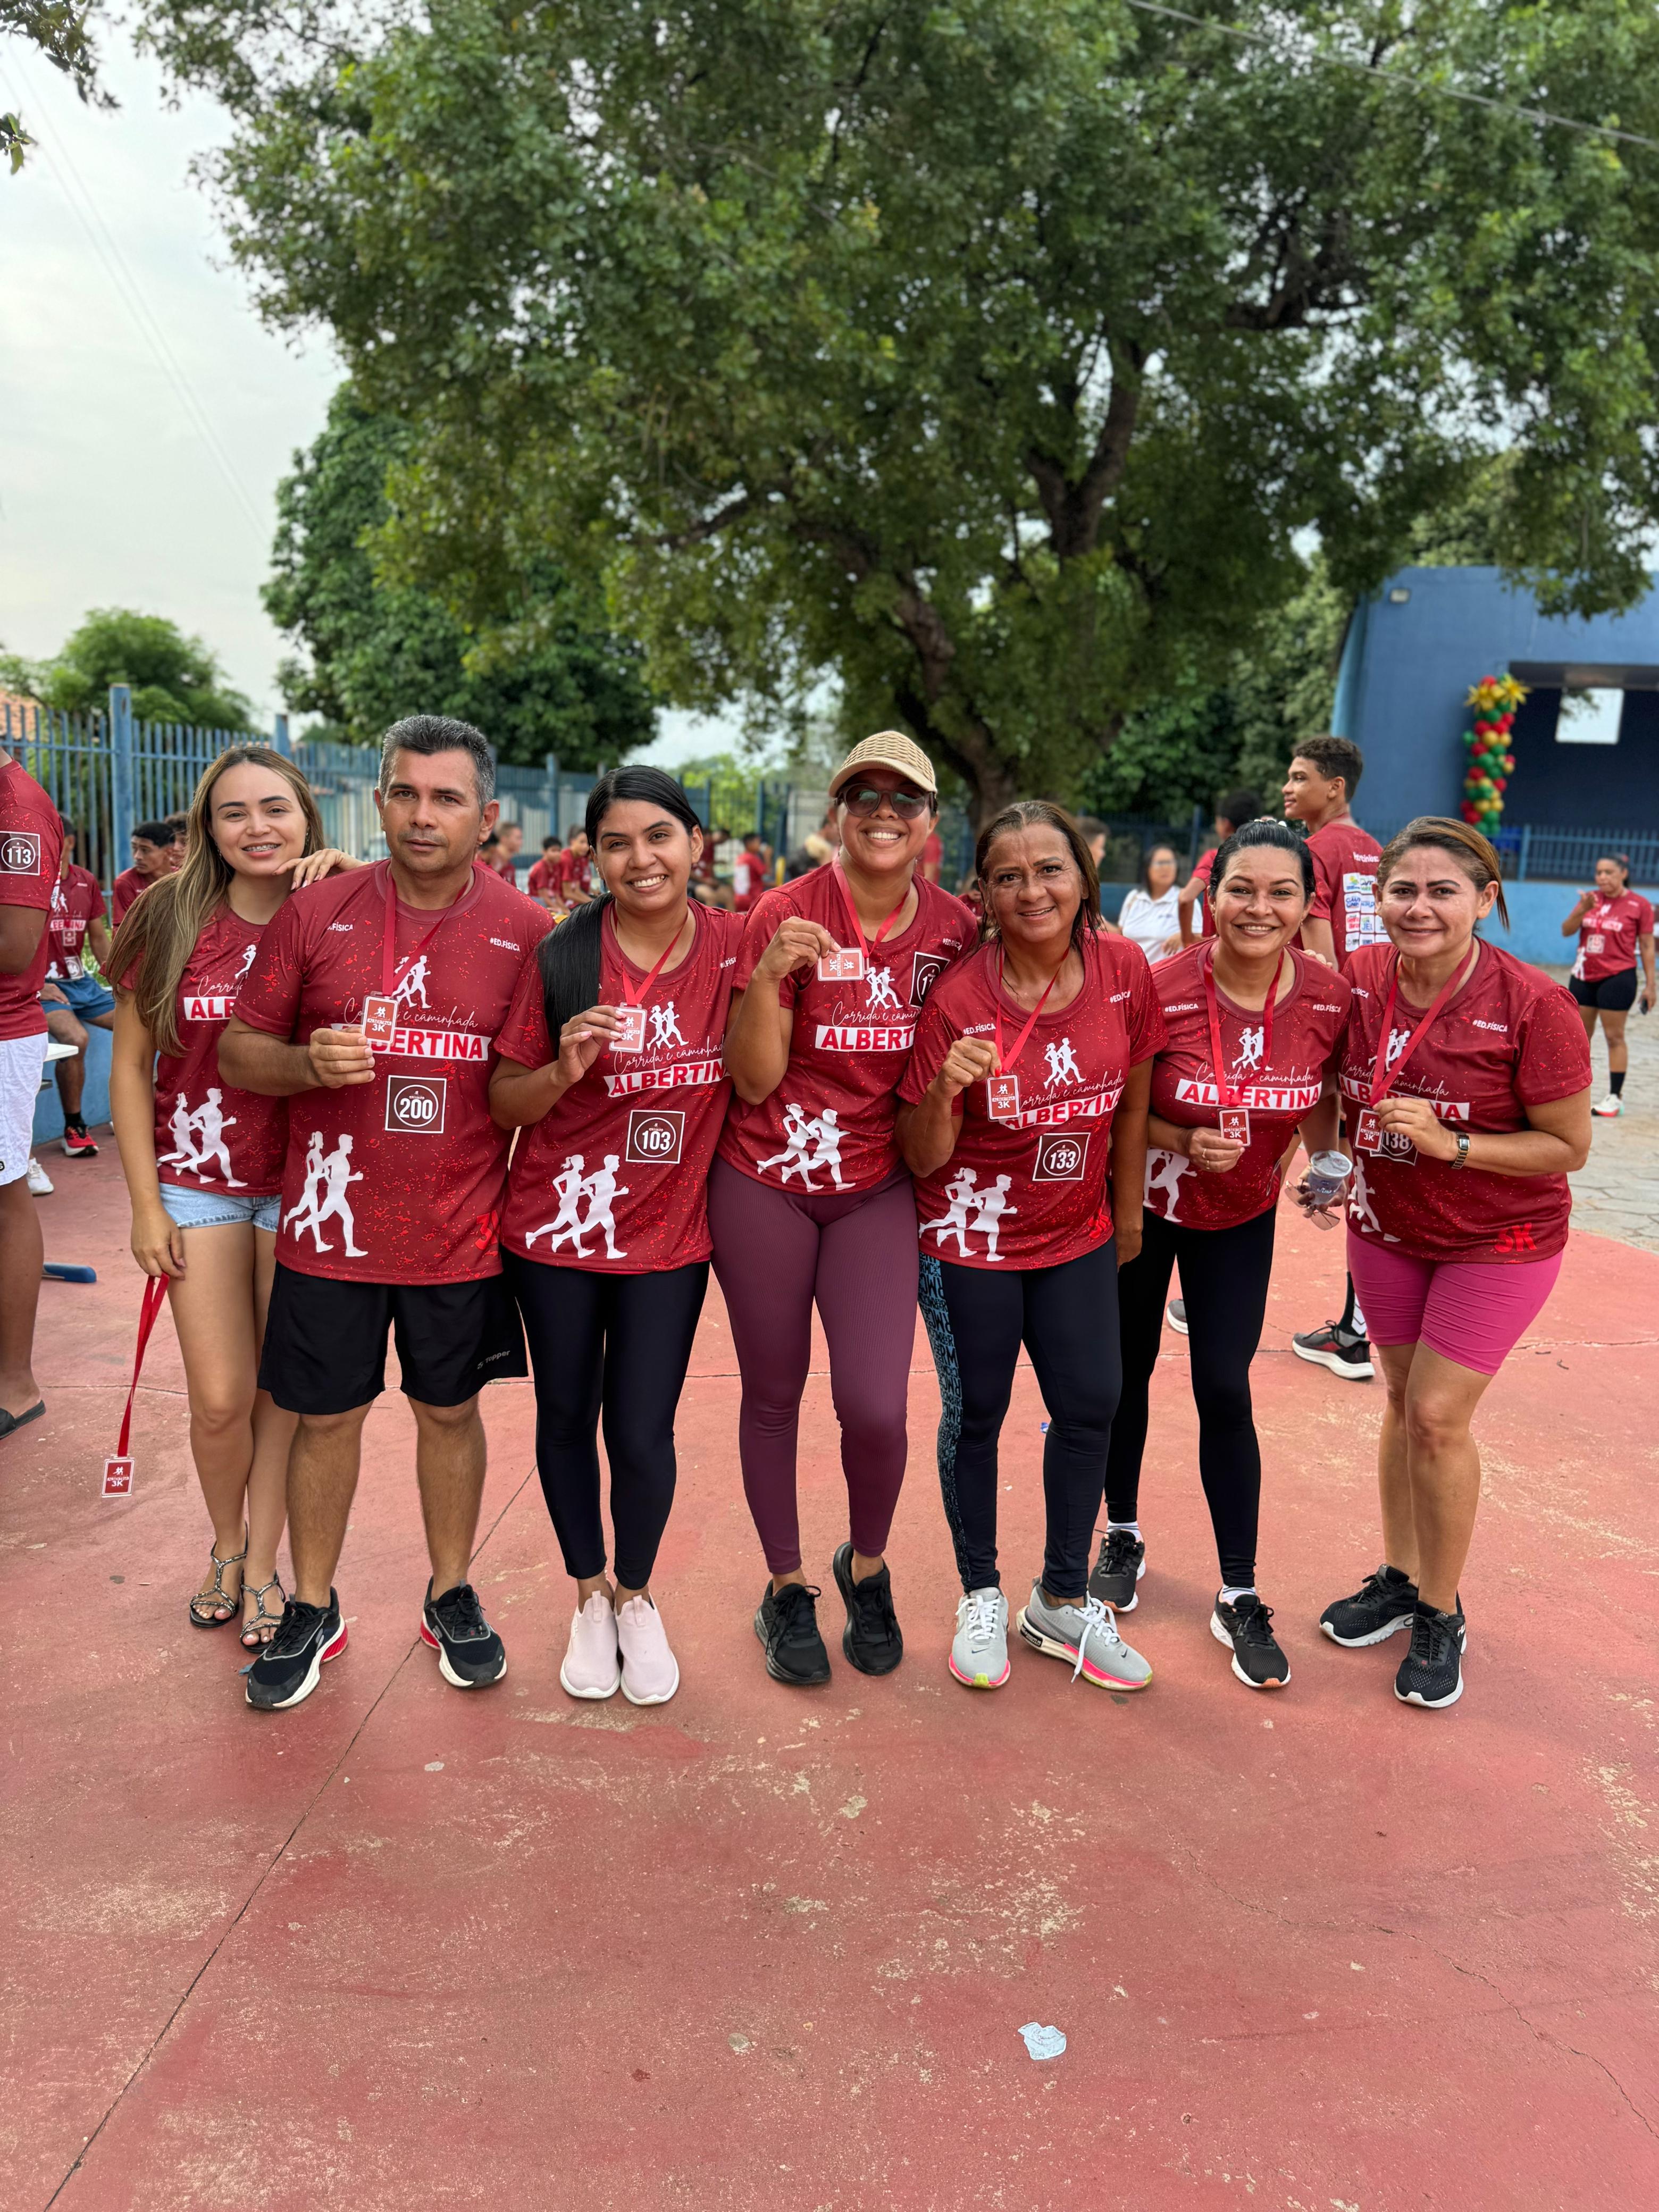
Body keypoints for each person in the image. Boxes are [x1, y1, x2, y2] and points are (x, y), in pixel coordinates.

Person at [220, 716, 550, 1712]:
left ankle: (450, 1594)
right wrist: (304, 1062)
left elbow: (522, 1089)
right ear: (378, 802)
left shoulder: (528, 932)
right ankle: (313, 1606)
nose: (422, 815)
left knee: (450, 1412)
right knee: (326, 1420)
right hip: (331, 1231)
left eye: (447, 798)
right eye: (405, 793)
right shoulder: (315, 912)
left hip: (459, 1232)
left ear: (486, 816)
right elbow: (238, 1053)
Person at [716, 730, 975, 1686]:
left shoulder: (954, 930)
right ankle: (785, 1588)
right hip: (766, 1181)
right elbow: (752, 1081)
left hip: (875, 1187)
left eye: (903, 799)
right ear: (837, 814)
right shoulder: (785, 912)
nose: (882, 813)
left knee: (874, 1406)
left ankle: (867, 1567)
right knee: (773, 1392)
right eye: (863, 795)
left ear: (931, 821)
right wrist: (769, 974)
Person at [1319, 818, 1591, 1709]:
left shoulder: (1533, 1005)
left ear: (1485, 899)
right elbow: (1327, 1086)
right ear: (1379, 899)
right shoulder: (1360, 979)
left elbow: (1568, 1147)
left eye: (1444, 891)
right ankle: (1401, 1578)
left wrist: (1455, 1145)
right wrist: (1327, 1162)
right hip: (1386, 1228)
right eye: (1404, 890)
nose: (1421, 907)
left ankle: (1442, 1611)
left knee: (1437, 1416)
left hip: (1498, 1240)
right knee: (1401, 1399)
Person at [491, 767, 744, 1705]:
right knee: (566, 1417)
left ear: (695, 843)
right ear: (593, 856)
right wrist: (562, 1069)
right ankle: (589, 1595)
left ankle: (636, 1595)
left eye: (659, 836)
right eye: (617, 843)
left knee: (640, 1430)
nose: (641, 859)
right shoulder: (562, 955)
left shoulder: (735, 946)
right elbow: (504, 1100)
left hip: (668, 1241)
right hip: (555, 1232)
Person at [899, 800, 1162, 1694]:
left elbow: (1133, 1104)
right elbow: (920, 1155)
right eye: (1008, 876)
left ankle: (1059, 1599)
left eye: (1050, 869)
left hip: (1077, 1234)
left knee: (1092, 1404)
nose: (1032, 890)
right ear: (983, 894)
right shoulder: (959, 998)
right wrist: (945, 1089)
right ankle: (980, 1592)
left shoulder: (1125, 970)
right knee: (977, 1413)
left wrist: (1128, 1217)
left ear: (1083, 876)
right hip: (969, 1238)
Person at [106, 749, 355, 1644]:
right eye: (234, 811)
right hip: (196, 1184)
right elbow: (130, 1067)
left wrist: (360, 880)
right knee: (219, 1397)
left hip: (304, 1186)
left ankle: (263, 1569)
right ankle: (226, 1543)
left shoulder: (340, 908)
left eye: (276, 809)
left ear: (307, 819)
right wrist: (145, 1204)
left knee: (281, 1395)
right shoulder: (167, 914)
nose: (258, 828)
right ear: (207, 827)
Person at [1095, 819, 1351, 1690]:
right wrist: (1180, 1138)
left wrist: (1326, 1162)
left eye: (1282, 892)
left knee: (1224, 1387)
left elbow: (1324, 1092)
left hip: (1241, 1214)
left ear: (1307, 904)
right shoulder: (1161, 985)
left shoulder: (1328, 997)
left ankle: (1238, 1591)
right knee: (1125, 1372)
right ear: (1212, 896)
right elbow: (1120, 1108)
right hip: (1144, 1208)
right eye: (1241, 889)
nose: (1258, 907)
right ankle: (1121, 1533)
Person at [1281, 735, 1385, 1382]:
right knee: (1362, 1165)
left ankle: (1216, 1297)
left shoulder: (1315, 849)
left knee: (1268, 1148)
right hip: (1375, 1025)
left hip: (1330, 1026)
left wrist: (1327, 1020)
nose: (1288, 787)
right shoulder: (1375, 848)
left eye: (1300, 777)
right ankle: (1357, 1328)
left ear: (1335, 786)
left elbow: (1320, 955)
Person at [0, 750, 64, 1442]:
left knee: (5, 1196)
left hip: (1, 1032)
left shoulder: (16, 807)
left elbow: (15, 946)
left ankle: (15, 1385)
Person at [40, 820, 115, 1157]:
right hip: (44, 987)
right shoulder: (26, 879)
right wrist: (38, 985)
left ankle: (135, 1107)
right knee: (76, 1039)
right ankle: (74, 1127)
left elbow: (98, 939)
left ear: (68, 841)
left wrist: (120, 978)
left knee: (144, 1025)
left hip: (81, 983)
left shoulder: (85, 880)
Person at [1563, 854, 1655, 1117]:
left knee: (1614, 1037)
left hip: (1618, 977)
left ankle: (1615, 1097)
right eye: (1599, 872)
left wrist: (1651, 985)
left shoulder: (1639, 905)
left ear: (1623, 874)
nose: (1602, 877)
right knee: (1579, 1038)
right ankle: (1572, 1094)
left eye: (1609, 872)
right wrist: (1582, 909)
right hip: (1583, 975)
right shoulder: (1590, 899)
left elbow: (1647, 945)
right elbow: (1567, 930)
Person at [1177, 789, 1264, 948]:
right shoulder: (1268, 859)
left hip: (1221, 950)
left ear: (1226, 824)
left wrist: (1187, 939)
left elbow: (1186, 898)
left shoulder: (1216, 858)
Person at [1115, 844, 1183, 961]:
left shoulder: (1185, 899)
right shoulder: (1134, 897)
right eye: (1160, 863)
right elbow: (1121, 935)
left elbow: (1202, 938)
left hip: (1166, 972)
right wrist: (1104, 927)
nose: (1166, 868)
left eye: (1170, 863)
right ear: (1148, 868)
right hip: (1133, 970)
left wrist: (1183, 936)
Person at [111, 818, 181, 924]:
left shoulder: (184, 879)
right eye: (134, 848)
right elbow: (122, 928)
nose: (137, 856)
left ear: (168, 852)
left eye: (145, 850)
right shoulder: (126, 882)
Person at [557, 825, 595, 908]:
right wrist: (592, 903)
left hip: (569, 902)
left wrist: (593, 902)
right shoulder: (566, 860)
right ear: (572, 842)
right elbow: (567, 893)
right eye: (582, 842)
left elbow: (576, 891)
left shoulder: (578, 859)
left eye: (587, 843)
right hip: (558, 904)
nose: (586, 847)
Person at [732, 831, 771, 906]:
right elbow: (768, 872)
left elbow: (752, 881)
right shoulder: (752, 859)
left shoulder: (741, 857)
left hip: (739, 898)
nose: (760, 845)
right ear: (749, 844)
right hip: (753, 898)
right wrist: (767, 856)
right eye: (758, 842)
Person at [527, 834, 563, 906]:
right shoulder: (541, 868)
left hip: (550, 901)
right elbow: (543, 897)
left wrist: (565, 909)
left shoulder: (555, 867)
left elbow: (556, 894)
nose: (557, 854)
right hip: (536, 902)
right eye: (553, 851)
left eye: (559, 851)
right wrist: (559, 910)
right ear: (544, 851)